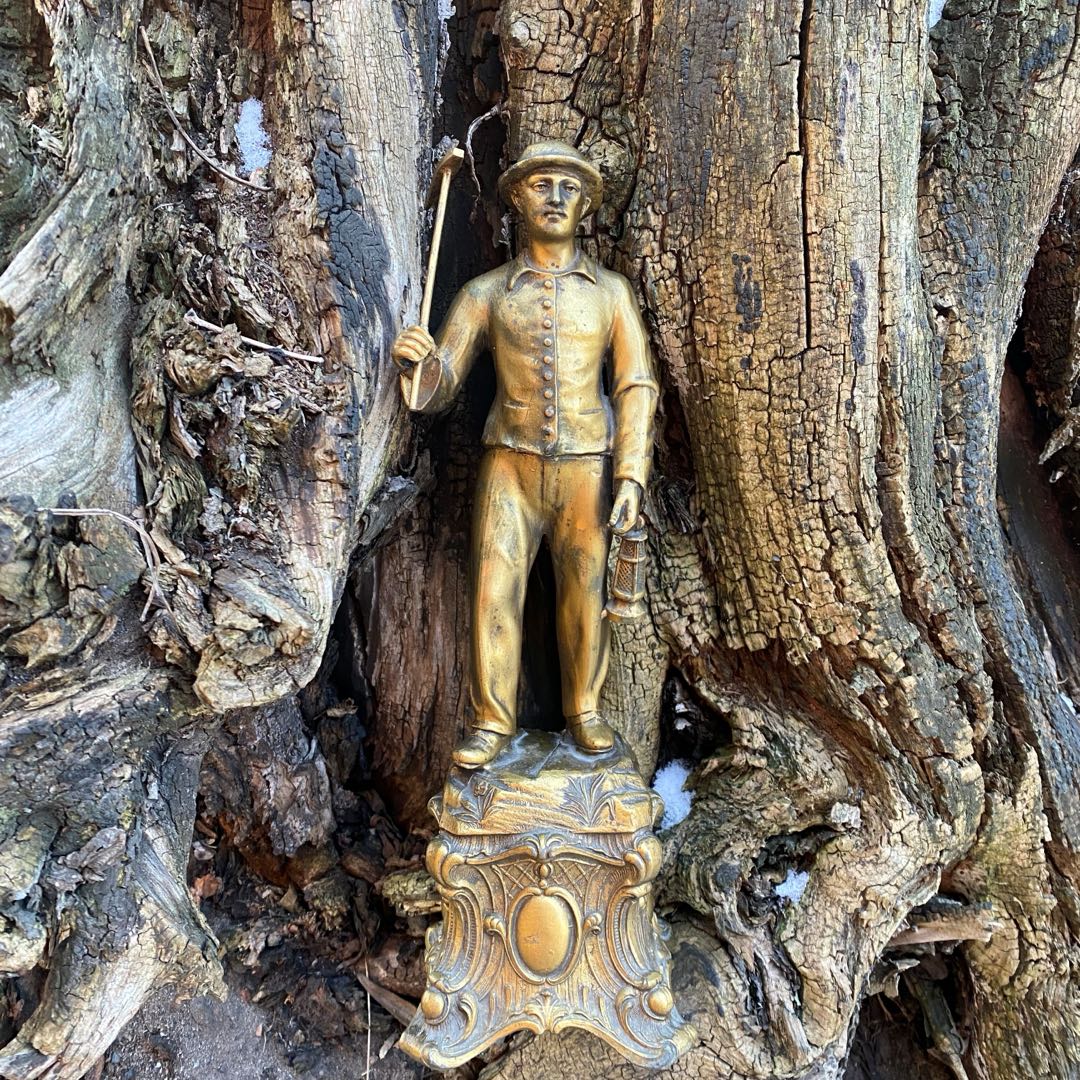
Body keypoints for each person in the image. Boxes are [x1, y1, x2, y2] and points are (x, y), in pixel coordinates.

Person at [391, 141, 658, 768]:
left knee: (584, 593)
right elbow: (441, 385)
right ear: (516, 199)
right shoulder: (486, 293)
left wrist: (630, 476)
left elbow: (636, 385)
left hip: (588, 468)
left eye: (570, 188)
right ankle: (491, 720)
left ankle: (585, 710)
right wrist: (419, 365)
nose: (556, 198)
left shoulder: (612, 293)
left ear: (586, 205)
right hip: (507, 467)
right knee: (494, 590)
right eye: (541, 186)